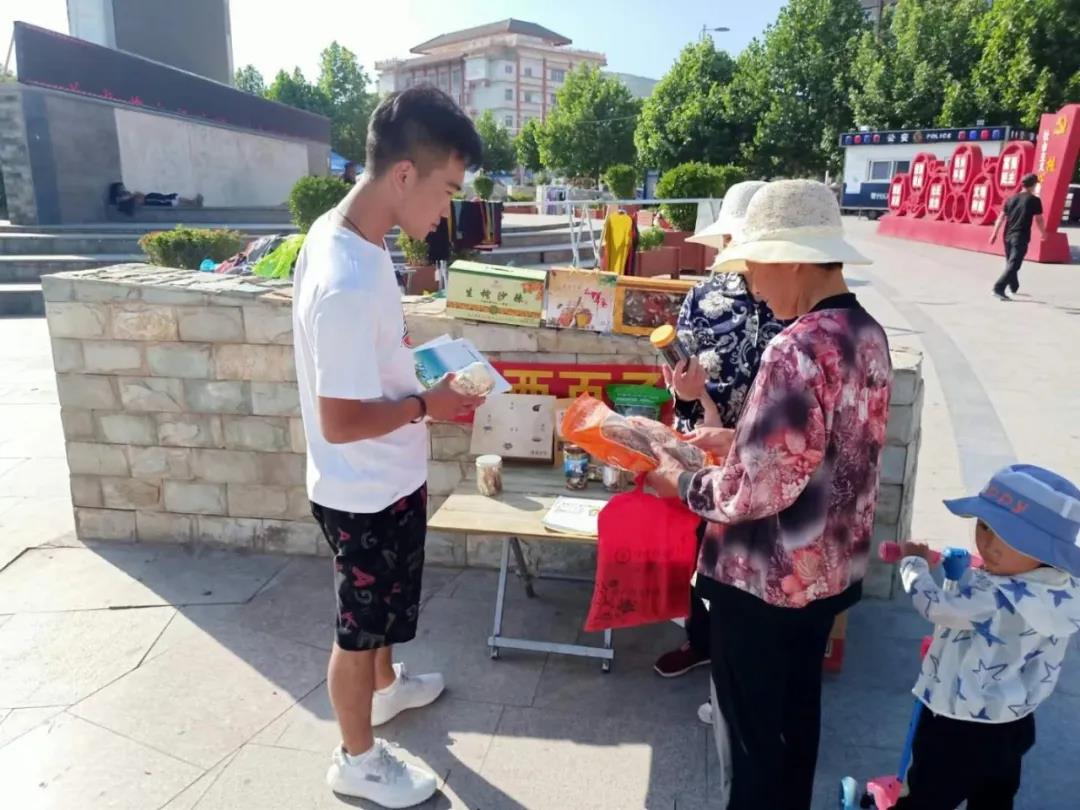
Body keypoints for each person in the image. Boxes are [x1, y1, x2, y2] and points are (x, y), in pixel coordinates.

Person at [647, 179, 892, 810]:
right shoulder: (866, 333)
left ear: (791, 260)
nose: (751, 283)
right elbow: (832, 449)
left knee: (752, 742)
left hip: (765, 582)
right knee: (795, 723)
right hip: (828, 573)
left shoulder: (796, 347)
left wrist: (678, 480)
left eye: (754, 264)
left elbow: (750, 491)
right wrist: (738, 438)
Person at [292, 86, 485, 808]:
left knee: (385, 612)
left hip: (388, 473)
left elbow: (370, 362)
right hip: (361, 487)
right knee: (358, 627)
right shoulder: (344, 279)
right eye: (448, 192)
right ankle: (356, 758)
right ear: (405, 174)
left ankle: (385, 687)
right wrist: (427, 406)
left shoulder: (357, 237)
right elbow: (340, 419)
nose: (447, 213)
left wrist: (425, 384)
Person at [652, 181, 783, 692]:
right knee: (699, 549)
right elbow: (679, 375)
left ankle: (752, 656)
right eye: (728, 238)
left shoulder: (796, 300)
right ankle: (702, 640)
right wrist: (684, 394)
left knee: (759, 559)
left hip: (773, 455)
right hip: (706, 447)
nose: (731, 249)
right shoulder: (703, 296)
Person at [895, 464, 1080, 809]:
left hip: (957, 724)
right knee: (994, 798)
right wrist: (959, 575)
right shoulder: (1063, 591)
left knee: (925, 797)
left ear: (1047, 551)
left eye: (1012, 539)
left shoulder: (993, 597)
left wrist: (913, 565)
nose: (989, 545)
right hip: (1013, 722)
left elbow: (937, 607)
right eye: (984, 526)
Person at [989, 173, 1047, 300]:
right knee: (1014, 263)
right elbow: (1039, 219)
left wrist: (994, 234)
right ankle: (998, 288)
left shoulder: (1011, 199)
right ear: (1033, 185)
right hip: (1020, 236)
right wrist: (1043, 233)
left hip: (1007, 235)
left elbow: (1001, 217)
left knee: (1011, 261)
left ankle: (1013, 286)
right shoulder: (1034, 200)